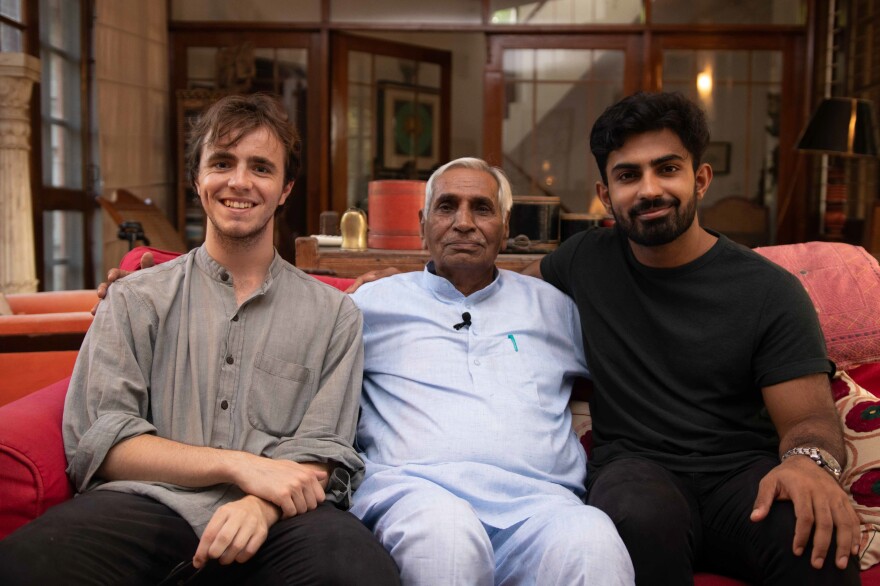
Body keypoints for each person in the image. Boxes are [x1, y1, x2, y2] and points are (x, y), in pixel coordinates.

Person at [0, 93, 399, 585]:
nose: (239, 182)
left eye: (260, 168)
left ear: (285, 188)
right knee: (24, 565)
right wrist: (239, 467)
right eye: (222, 163)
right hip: (146, 503)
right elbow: (101, 438)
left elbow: (325, 448)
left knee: (360, 573)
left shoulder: (334, 314)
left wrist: (260, 503)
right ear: (197, 180)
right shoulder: (135, 299)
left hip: (282, 522)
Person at [523, 91, 861, 585]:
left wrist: (809, 466)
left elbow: (809, 416)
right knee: (636, 518)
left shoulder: (768, 290)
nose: (649, 189)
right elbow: (500, 288)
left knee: (816, 537)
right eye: (628, 175)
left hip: (741, 476)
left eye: (667, 168)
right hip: (636, 471)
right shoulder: (584, 260)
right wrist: (409, 281)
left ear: (700, 179)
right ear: (605, 194)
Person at [349, 157, 633, 585]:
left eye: (481, 208)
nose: (463, 223)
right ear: (423, 222)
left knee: (594, 542)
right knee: (447, 542)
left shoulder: (554, 308)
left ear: (505, 223)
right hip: (417, 497)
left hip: (540, 508)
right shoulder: (372, 304)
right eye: (447, 207)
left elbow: (633, 363)